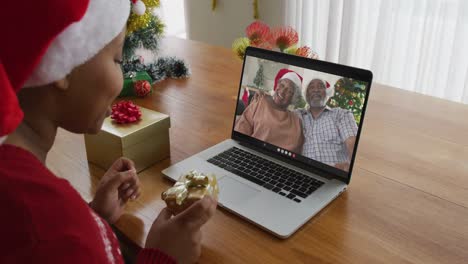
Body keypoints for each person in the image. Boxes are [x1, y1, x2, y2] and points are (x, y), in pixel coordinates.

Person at [0, 1, 216, 263]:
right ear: (64, 63)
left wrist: (94, 217)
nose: (123, 75)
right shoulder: (54, 229)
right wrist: (163, 256)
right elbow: (58, 243)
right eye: (117, 59)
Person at [234, 68, 304, 153]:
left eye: (289, 91)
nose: (282, 91)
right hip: (250, 153)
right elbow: (240, 133)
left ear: (293, 97)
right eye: (282, 85)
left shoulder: (296, 122)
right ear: (277, 85)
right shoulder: (260, 102)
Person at [296, 79, 358, 172]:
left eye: (320, 86)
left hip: (334, 175)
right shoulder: (297, 115)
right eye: (311, 87)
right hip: (303, 173)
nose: (316, 90)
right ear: (306, 95)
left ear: (327, 93)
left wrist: (351, 167)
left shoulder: (341, 114)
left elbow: (352, 144)